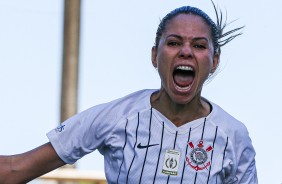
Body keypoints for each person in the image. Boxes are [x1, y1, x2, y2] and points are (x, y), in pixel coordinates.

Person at [0, 2, 257, 184]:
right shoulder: (116, 117)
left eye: (199, 45)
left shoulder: (233, 135)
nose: (186, 51)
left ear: (214, 62)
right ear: (155, 56)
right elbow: (14, 169)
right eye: (174, 42)